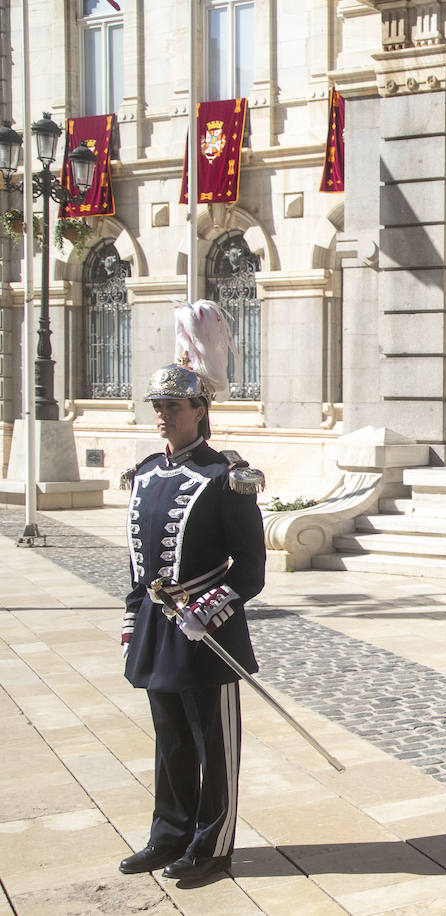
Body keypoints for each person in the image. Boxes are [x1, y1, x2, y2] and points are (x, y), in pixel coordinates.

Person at [118, 300, 266, 885]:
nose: (161, 416)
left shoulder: (226, 477)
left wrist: (207, 609)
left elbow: (250, 569)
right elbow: (138, 562)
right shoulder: (148, 475)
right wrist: (134, 618)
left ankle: (213, 845)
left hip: (209, 631)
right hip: (159, 627)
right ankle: (168, 834)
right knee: (170, 739)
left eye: (172, 407)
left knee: (213, 743)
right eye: (157, 407)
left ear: (200, 411)